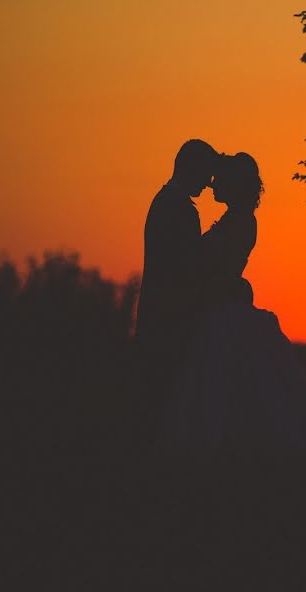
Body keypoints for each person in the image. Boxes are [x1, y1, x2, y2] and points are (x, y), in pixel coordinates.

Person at [161, 152, 306, 456]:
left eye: (220, 179)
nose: (212, 185)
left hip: (223, 312)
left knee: (223, 381)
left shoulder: (241, 222)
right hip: (219, 306)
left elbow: (224, 268)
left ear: (235, 184)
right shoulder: (235, 219)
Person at [135, 139, 220, 431]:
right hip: (168, 317)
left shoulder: (167, 203)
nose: (209, 183)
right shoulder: (175, 208)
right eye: (206, 173)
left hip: (165, 314)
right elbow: (185, 266)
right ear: (189, 168)